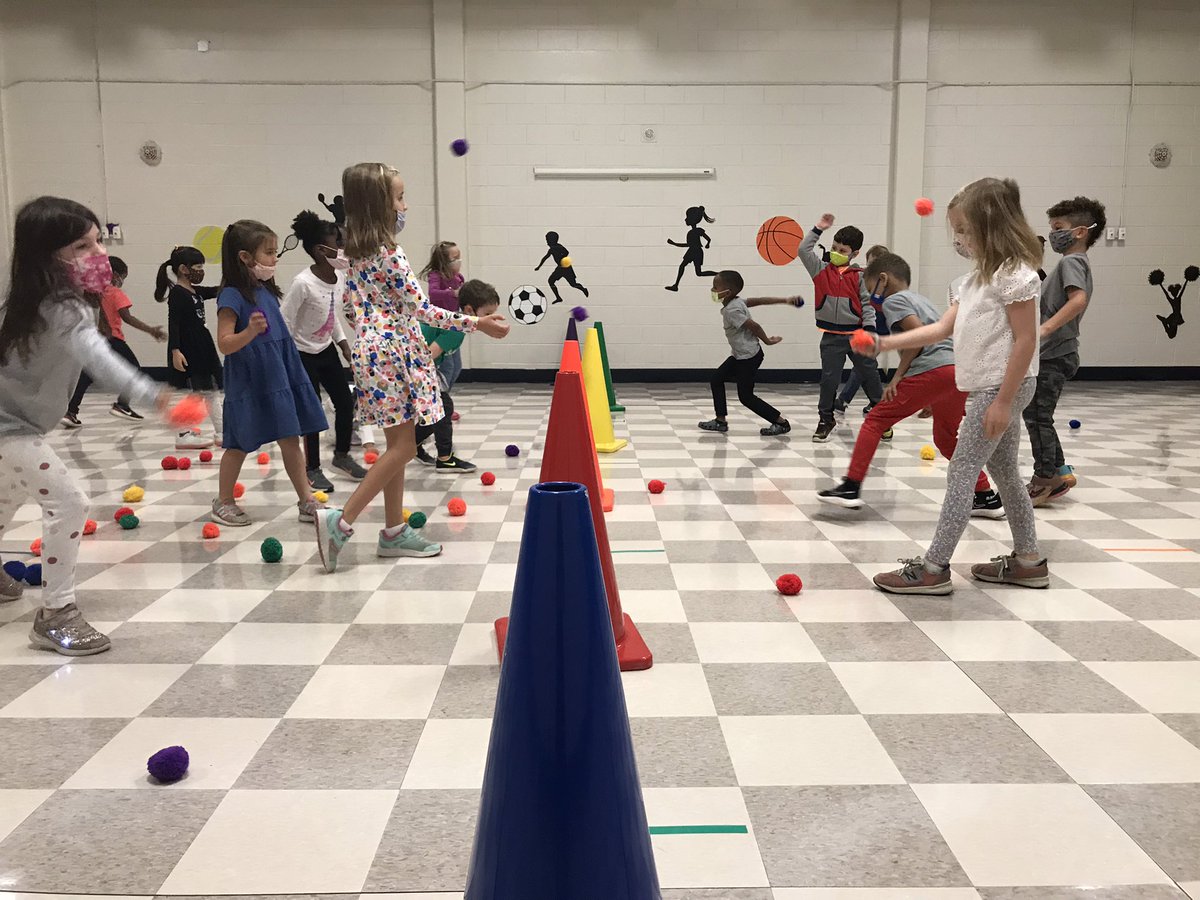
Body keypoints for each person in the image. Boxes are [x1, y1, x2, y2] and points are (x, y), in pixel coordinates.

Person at [313, 163, 509, 572]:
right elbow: (423, 310)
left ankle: (393, 531)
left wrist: (374, 329)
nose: (405, 206)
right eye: (399, 198)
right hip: (395, 354)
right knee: (404, 447)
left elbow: (350, 308)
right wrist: (478, 323)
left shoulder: (355, 255)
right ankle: (341, 520)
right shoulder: (389, 253)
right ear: (379, 206)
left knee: (396, 447)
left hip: (373, 353)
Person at [0, 196, 171, 655]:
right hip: (6, 427)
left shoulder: (45, 300)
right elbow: (98, 358)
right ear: (46, 255)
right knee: (70, 502)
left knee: (7, 496)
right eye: (81, 246)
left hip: (20, 426)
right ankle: (56, 613)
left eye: (98, 240)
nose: (98, 254)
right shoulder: (60, 307)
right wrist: (154, 395)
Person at [864, 177, 1047, 596]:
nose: (959, 240)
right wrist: (886, 342)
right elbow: (940, 330)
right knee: (1004, 472)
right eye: (956, 231)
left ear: (990, 227)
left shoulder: (1016, 276)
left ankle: (934, 568)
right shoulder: (970, 282)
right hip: (989, 387)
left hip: (1000, 388)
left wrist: (1002, 401)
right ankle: (1029, 561)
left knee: (963, 470)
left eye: (964, 230)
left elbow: (1025, 340)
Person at [817, 251, 1004, 518]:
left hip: (932, 370)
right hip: (954, 373)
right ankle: (985, 496)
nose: (872, 297)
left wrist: (898, 377)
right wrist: (933, 395)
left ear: (884, 279)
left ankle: (851, 486)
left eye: (871, 290)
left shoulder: (895, 300)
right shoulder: (921, 299)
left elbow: (918, 337)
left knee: (875, 420)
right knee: (945, 438)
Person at [211, 220, 327, 527]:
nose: (275, 258)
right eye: (269, 252)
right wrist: (249, 332)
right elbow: (224, 344)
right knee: (239, 443)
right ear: (245, 257)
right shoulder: (231, 296)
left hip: (279, 375)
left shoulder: (264, 290)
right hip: (250, 380)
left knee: (291, 438)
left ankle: (306, 500)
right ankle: (223, 500)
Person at [1023, 195, 1106, 503]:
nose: (1054, 233)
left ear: (1080, 231)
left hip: (1055, 353)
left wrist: (1044, 328)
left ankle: (1046, 480)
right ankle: (1057, 469)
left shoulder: (1071, 262)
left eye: (1058, 227)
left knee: (1037, 417)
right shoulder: (1074, 263)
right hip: (1056, 352)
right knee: (1039, 415)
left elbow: (1077, 300)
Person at [281, 210, 368, 493]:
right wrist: (286, 361)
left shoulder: (338, 277)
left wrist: (345, 347)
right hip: (300, 354)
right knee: (312, 411)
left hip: (325, 350)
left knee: (345, 402)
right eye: (338, 243)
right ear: (321, 250)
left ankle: (341, 456)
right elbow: (285, 323)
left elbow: (332, 317)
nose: (343, 248)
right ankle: (312, 468)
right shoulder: (302, 283)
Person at [798, 212, 884, 442]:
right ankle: (826, 419)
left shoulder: (860, 276)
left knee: (870, 376)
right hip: (831, 337)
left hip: (857, 336)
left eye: (842, 251)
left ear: (854, 253)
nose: (836, 253)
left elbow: (867, 305)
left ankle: (882, 415)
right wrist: (818, 228)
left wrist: (870, 329)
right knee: (828, 380)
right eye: (834, 248)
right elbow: (803, 250)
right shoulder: (820, 270)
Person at [62, 255, 166, 426]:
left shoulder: (93, 292)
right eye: (123, 277)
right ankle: (122, 405)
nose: (122, 281)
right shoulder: (115, 293)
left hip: (97, 339)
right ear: (115, 274)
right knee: (134, 368)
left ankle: (71, 411)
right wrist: (151, 330)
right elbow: (127, 318)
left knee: (87, 375)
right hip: (113, 338)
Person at [415, 279, 501, 473]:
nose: (491, 320)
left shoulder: (455, 323)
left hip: (416, 366)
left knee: (436, 409)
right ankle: (444, 458)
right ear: (469, 311)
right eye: (488, 314)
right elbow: (426, 356)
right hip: (412, 367)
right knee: (443, 407)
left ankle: (413, 445)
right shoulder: (456, 329)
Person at [697, 270, 792, 436]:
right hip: (740, 355)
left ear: (728, 292)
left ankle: (780, 422)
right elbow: (761, 300)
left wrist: (768, 341)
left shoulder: (732, 310)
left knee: (746, 397)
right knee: (716, 379)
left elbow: (754, 326)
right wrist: (783, 300)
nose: (712, 290)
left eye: (715, 287)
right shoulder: (737, 301)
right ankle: (720, 421)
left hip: (748, 357)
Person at [157, 245, 222, 450]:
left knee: (209, 390)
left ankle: (221, 431)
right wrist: (176, 350)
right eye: (197, 266)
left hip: (202, 342)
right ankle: (184, 433)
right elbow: (173, 323)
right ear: (184, 269)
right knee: (202, 392)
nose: (200, 270)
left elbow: (215, 290)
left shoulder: (194, 291)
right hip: (189, 346)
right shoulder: (178, 294)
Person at [665, 206, 718, 291]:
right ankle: (676, 285)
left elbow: (707, 239)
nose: (685, 219)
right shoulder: (691, 232)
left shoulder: (697, 231)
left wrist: (674, 244)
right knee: (684, 266)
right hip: (693, 251)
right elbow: (691, 244)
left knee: (698, 273)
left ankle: (718, 274)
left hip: (696, 251)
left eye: (687, 217)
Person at [535, 231, 588, 304]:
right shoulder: (551, 249)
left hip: (566, 268)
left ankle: (583, 289)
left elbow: (566, 252)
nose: (546, 241)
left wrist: (562, 258)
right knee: (551, 281)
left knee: (573, 284)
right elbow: (545, 258)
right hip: (560, 268)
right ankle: (558, 297)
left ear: (552, 240)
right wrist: (539, 266)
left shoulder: (558, 246)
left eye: (547, 240)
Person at [420, 240, 465, 313]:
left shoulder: (459, 277)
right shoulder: (435, 275)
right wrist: (452, 293)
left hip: (454, 314)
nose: (459, 260)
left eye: (459, 257)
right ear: (444, 261)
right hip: (439, 315)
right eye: (455, 258)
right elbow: (433, 293)